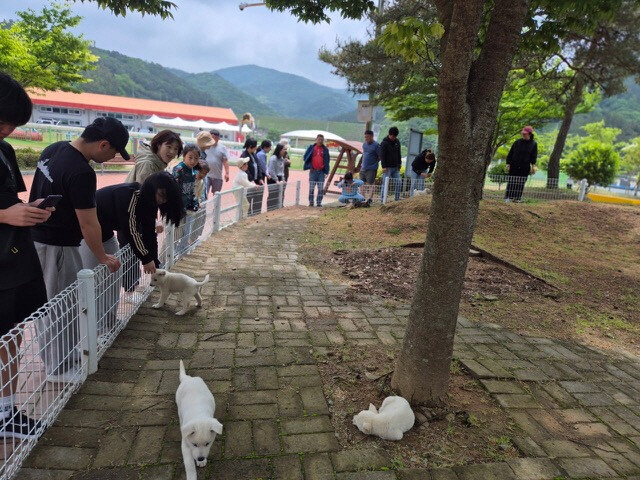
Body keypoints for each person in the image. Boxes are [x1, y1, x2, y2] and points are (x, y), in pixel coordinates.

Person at [29, 117, 127, 383]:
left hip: (37, 240)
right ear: (103, 144)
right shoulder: (82, 172)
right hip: (57, 246)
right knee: (60, 308)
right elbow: (88, 223)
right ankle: (59, 368)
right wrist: (102, 256)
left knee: (49, 306)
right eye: (114, 152)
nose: (112, 158)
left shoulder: (54, 149)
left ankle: (60, 359)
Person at [0, 72, 50, 439]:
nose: (7, 130)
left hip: (13, 257)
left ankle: (6, 411)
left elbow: (10, 199)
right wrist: (5, 216)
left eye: (12, 124)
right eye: (3, 121)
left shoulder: (4, 150)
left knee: (13, 333)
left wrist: (30, 211)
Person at [79, 172, 183, 333]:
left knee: (113, 279)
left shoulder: (150, 203)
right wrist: (146, 258)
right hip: (86, 236)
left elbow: (149, 233)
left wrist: (154, 261)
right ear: (152, 188)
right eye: (161, 195)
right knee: (97, 283)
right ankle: (97, 330)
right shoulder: (130, 196)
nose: (162, 201)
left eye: (166, 198)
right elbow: (131, 231)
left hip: (105, 234)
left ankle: (109, 323)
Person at [173, 144, 203, 252]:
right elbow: (173, 190)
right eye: (190, 157)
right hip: (176, 209)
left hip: (185, 208)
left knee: (181, 234)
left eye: (196, 158)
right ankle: (164, 260)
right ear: (184, 156)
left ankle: (176, 255)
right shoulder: (179, 169)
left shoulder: (193, 171)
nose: (193, 161)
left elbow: (191, 191)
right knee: (172, 237)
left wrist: (195, 202)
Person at [505, 126, 538, 202]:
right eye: (523, 133)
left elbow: (534, 156)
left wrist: (533, 166)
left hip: (525, 167)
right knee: (511, 181)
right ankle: (508, 198)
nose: (523, 135)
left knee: (521, 182)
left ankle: (517, 198)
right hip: (514, 165)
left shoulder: (533, 144)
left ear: (530, 134)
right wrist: (508, 164)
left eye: (525, 134)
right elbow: (511, 153)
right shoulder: (517, 142)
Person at [201, 130, 230, 199]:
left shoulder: (222, 148)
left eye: (216, 137)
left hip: (217, 176)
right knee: (204, 194)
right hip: (206, 175)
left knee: (216, 196)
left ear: (219, 138)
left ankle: (215, 206)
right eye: (212, 137)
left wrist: (227, 173)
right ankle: (204, 206)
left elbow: (225, 161)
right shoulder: (205, 146)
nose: (214, 139)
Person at [303, 134, 330, 207]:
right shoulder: (311, 148)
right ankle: (311, 202)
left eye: (322, 140)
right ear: (316, 139)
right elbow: (305, 157)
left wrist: (326, 171)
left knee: (320, 188)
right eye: (319, 139)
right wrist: (310, 166)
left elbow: (327, 161)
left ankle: (319, 202)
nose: (320, 141)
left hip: (321, 172)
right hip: (313, 171)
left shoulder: (325, 150)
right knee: (311, 188)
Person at [240, 139, 264, 216]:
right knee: (248, 200)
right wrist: (251, 180)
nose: (256, 148)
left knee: (258, 199)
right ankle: (247, 216)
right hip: (248, 182)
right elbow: (246, 170)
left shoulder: (254, 154)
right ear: (250, 146)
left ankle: (256, 215)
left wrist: (260, 178)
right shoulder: (243, 156)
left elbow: (258, 166)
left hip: (256, 181)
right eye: (255, 146)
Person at [380, 126, 402, 202]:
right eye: (392, 136)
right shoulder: (384, 143)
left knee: (399, 182)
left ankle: (397, 199)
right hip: (387, 167)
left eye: (395, 136)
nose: (393, 138)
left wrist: (399, 163)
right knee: (385, 183)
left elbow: (399, 153)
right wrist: (383, 166)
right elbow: (382, 155)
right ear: (390, 134)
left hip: (396, 167)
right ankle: (382, 199)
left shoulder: (397, 142)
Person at [361, 130, 381, 202]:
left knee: (371, 183)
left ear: (372, 136)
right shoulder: (364, 145)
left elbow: (380, 156)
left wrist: (374, 162)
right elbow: (364, 154)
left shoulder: (376, 145)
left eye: (367, 137)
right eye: (365, 137)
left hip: (372, 168)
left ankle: (370, 198)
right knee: (361, 182)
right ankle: (362, 197)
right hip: (363, 167)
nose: (366, 139)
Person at [266, 143, 286, 210]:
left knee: (278, 195)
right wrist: (276, 180)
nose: (285, 151)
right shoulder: (273, 158)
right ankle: (269, 209)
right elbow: (271, 170)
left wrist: (283, 179)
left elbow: (282, 170)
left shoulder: (282, 158)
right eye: (284, 149)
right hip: (272, 179)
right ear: (279, 150)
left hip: (279, 178)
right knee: (272, 195)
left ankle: (275, 209)